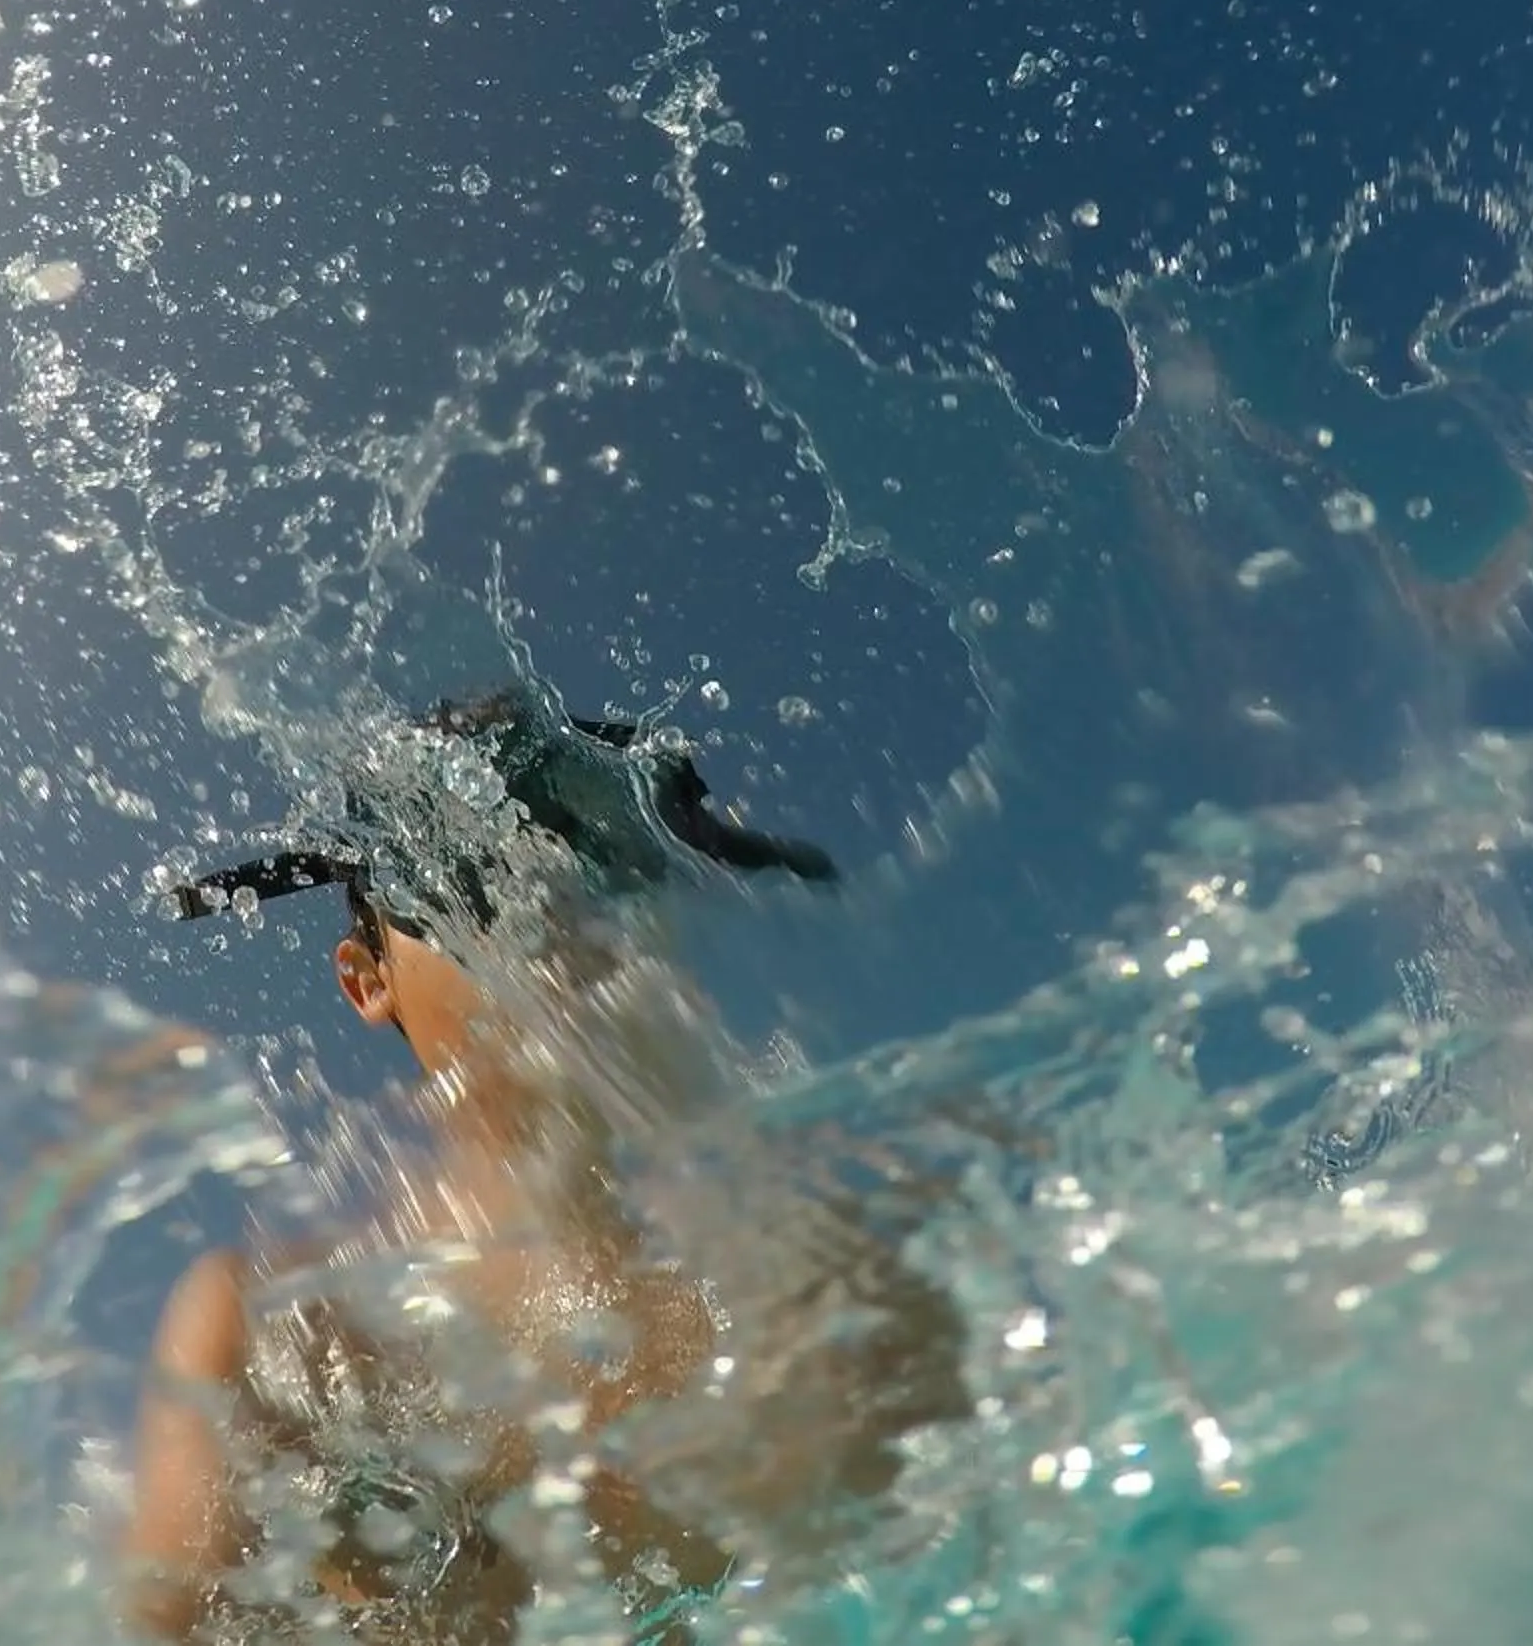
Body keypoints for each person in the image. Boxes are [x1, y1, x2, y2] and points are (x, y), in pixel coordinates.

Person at [126, 696, 966, 1644]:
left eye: (603, 866)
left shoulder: (817, 1296)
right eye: (473, 879)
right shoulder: (284, 1333)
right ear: (368, 980)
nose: (550, 916)